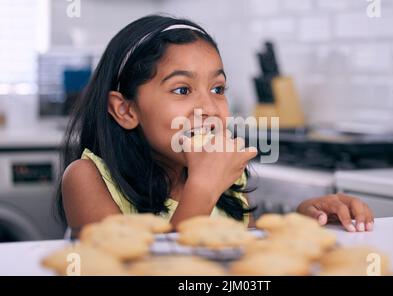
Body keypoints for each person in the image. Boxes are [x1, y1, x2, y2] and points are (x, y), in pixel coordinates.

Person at [57, 15, 374, 236]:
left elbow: (235, 253)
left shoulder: (227, 175)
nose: (209, 108)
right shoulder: (88, 179)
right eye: (182, 90)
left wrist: (300, 223)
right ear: (125, 110)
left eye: (218, 89)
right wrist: (202, 188)